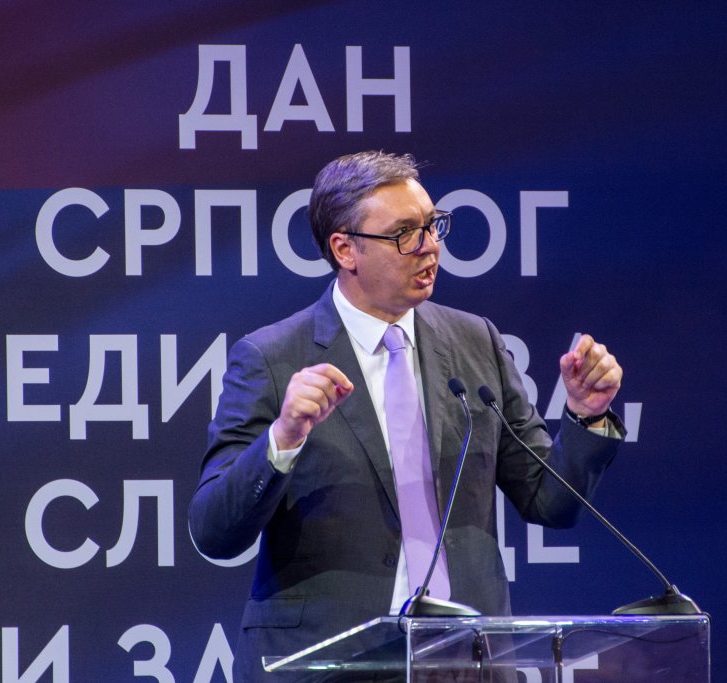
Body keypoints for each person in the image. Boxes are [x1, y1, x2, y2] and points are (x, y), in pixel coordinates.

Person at [188, 151, 625, 681]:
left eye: (432, 225)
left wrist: (584, 416)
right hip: (328, 664)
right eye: (403, 234)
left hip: (464, 662)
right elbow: (214, 532)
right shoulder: (273, 357)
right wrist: (282, 439)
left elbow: (550, 501)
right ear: (345, 249)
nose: (429, 246)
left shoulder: (476, 342)